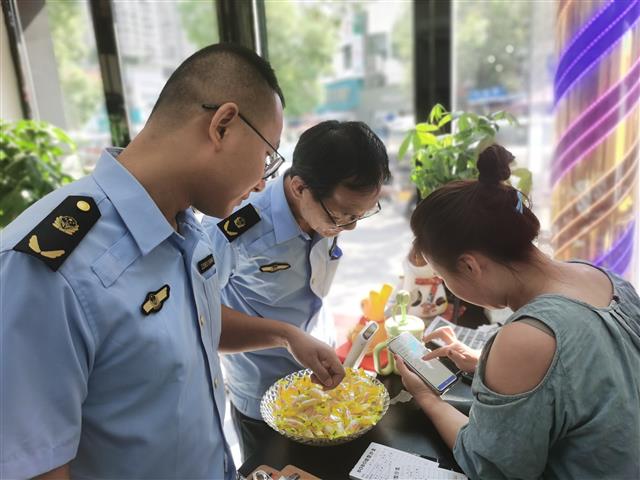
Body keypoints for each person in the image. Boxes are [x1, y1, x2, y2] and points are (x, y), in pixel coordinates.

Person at [0, 43, 345, 480]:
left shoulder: (187, 225)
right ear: (222, 126)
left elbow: (195, 324)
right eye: (267, 157)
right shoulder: (48, 267)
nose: (262, 183)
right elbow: (35, 464)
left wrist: (285, 335)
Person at [396, 144, 640, 479]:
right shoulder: (601, 277)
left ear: (469, 266)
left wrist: (426, 397)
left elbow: (490, 467)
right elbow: (593, 383)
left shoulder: (527, 337)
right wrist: (485, 363)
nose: (445, 285)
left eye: (442, 277)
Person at [202, 120, 391, 460]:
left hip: (325, 371)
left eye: (361, 215)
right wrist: (287, 336)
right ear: (299, 187)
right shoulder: (234, 227)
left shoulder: (325, 212)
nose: (349, 227)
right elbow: (199, 319)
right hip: (264, 393)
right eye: (343, 216)